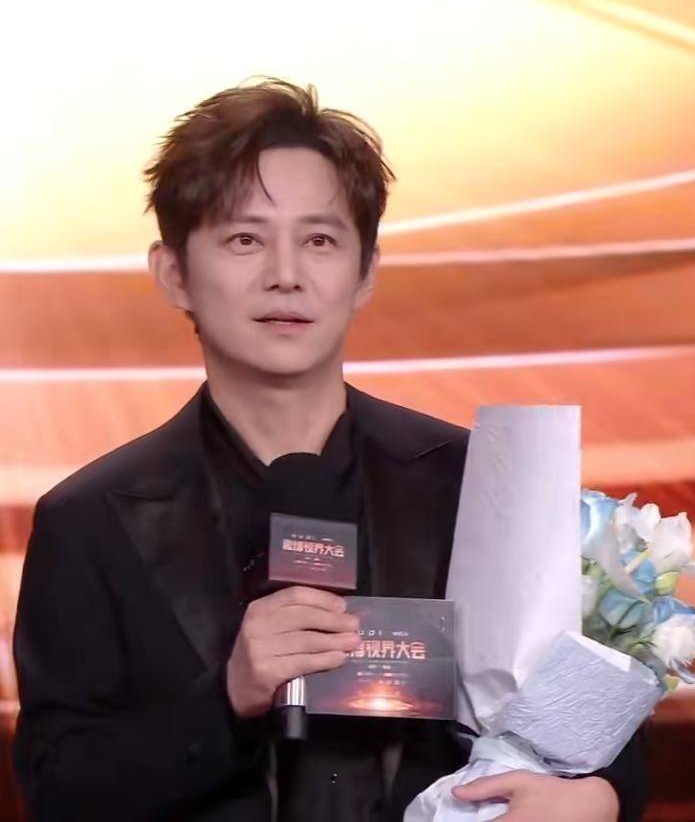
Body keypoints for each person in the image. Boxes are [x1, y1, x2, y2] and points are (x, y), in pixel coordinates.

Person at [13, 79, 644, 821]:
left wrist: (603, 798)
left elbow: (595, 708)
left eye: (319, 241)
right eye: (245, 239)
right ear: (173, 273)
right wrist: (227, 697)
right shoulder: (90, 520)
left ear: (365, 270)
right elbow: (58, 787)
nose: (286, 275)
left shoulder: (478, 482)